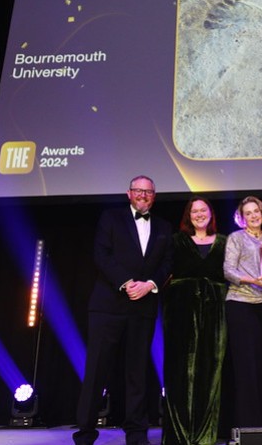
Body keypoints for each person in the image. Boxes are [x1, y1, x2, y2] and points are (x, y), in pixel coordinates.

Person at [73, 175, 173, 445]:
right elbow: (101, 255)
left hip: (143, 309)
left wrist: (150, 285)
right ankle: (84, 434)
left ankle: (137, 435)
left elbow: (167, 264)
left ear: (154, 196)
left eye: (148, 192)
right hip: (108, 307)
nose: (143, 195)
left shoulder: (164, 226)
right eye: (138, 190)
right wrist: (127, 283)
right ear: (129, 193)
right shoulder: (111, 218)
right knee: (96, 372)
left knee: (137, 373)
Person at [162, 196, 228, 445]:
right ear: (188, 216)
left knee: (210, 372)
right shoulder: (176, 241)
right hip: (180, 310)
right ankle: (178, 436)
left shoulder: (224, 242)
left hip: (215, 312)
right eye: (194, 211)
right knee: (179, 371)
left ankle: (204, 436)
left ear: (211, 213)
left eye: (204, 210)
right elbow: (164, 269)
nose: (199, 214)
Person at [223, 195, 262, 429]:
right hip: (241, 304)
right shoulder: (236, 238)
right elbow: (228, 270)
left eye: (256, 211)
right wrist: (253, 281)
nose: (253, 215)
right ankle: (250, 428)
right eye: (248, 213)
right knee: (247, 369)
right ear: (241, 217)